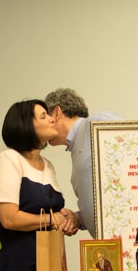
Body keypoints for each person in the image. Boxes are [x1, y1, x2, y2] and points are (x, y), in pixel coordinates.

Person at [0, 99, 77, 271]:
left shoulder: (48, 166)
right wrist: (51, 219)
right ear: (25, 125)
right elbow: (9, 218)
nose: (52, 119)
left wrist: (65, 219)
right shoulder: (8, 159)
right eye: (43, 116)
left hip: (40, 266)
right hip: (5, 265)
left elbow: (49, 212)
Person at [44, 88, 119, 236]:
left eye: (46, 117)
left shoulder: (95, 122)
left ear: (56, 113)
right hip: (109, 243)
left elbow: (133, 140)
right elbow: (103, 203)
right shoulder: (76, 146)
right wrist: (77, 218)